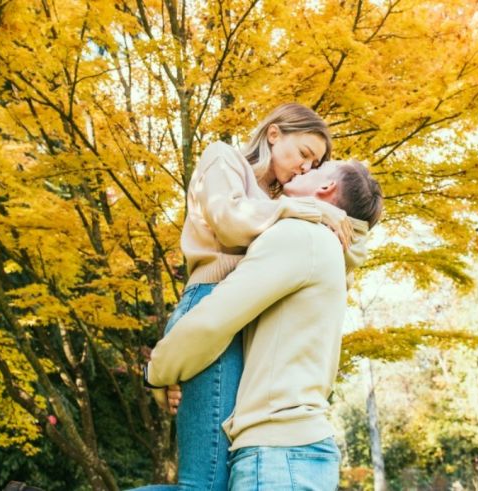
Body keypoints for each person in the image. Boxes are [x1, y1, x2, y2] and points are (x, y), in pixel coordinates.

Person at [133, 103, 357, 491]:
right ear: (274, 133)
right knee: (203, 487)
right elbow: (230, 222)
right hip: (209, 304)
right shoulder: (224, 158)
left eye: (314, 164)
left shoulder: (284, 202)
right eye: (304, 153)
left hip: (238, 319)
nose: (305, 167)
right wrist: (299, 208)